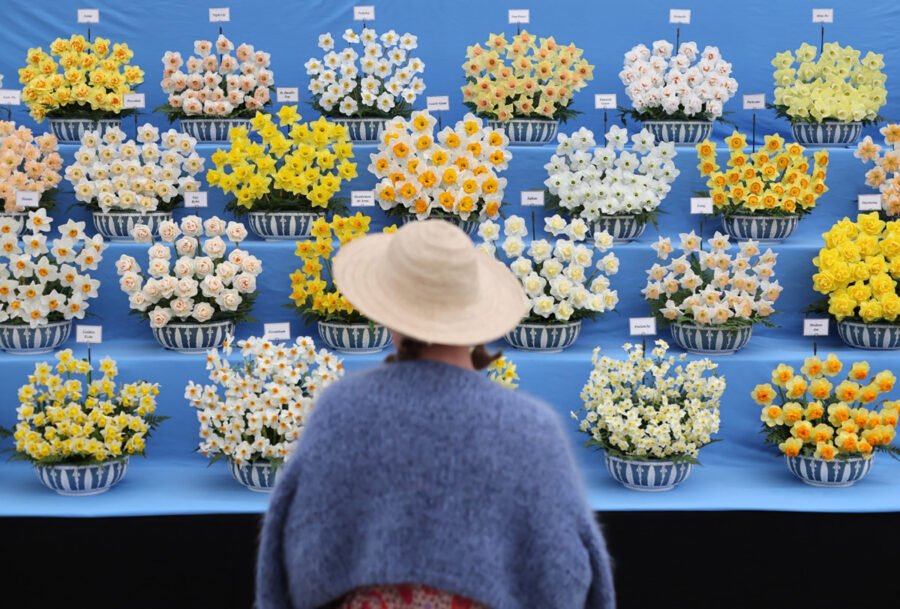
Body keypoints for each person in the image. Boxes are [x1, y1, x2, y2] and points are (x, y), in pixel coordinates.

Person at [256, 220, 615, 609]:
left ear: (387, 310)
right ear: (477, 313)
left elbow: (301, 541)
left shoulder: (340, 409)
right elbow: (564, 568)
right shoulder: (532, 428)